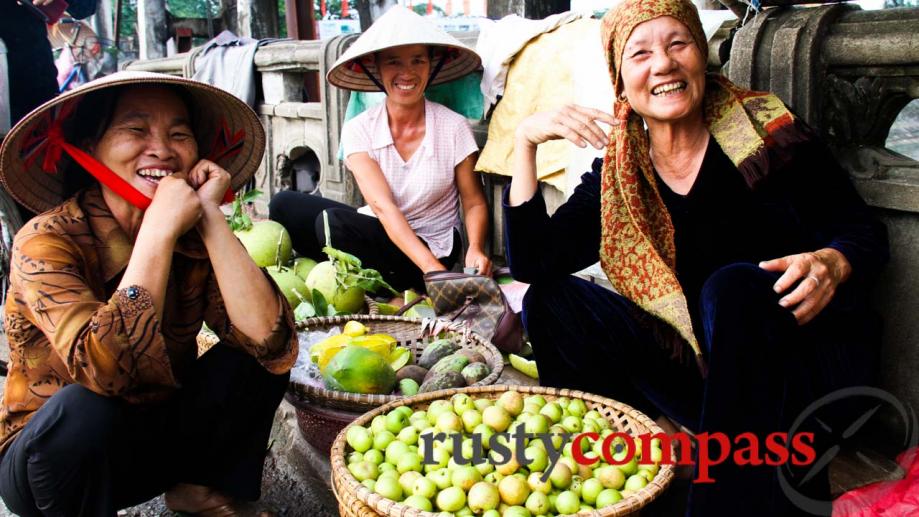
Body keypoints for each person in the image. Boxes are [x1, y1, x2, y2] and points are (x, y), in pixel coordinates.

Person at [503, 0, 888, 515]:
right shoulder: (621, 171)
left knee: (732, 288)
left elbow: (863, 232)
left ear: (700, 58)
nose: (662, 64)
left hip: (796, 370)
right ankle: (653, 452)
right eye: (640, 53)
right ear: (622, 80)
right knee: (552, 302)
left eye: (677, 44)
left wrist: (831, 262)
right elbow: (534, 263)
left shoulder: (767, 136)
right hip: (703, 371)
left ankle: (719, 497)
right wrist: (524, 141)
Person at [0, 71, 298, 516]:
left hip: (148, 442)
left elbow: (271, 340)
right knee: (84, 409)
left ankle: (195, 488)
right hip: (53, 468)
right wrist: (157, 231)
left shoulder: (192, 236)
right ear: (90, 146)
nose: (162, 148)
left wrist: (210, 217)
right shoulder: (45, 241)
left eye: (179, 134)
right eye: (135, 130)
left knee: (253, 356)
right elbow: (104, 374)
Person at [270, 6, 491, 292]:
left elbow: (474, 202)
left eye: (417, 61)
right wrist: (433, 273)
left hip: (436, 247)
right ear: (376, 68)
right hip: (387, 233)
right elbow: (383, 208)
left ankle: (384, 282)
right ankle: (373, 280)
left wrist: (473, 248)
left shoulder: (453, 127)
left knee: (333, 225)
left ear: (430, 66)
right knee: (284, 205)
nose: (407, 73)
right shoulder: (359, 129)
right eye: (394, 63)